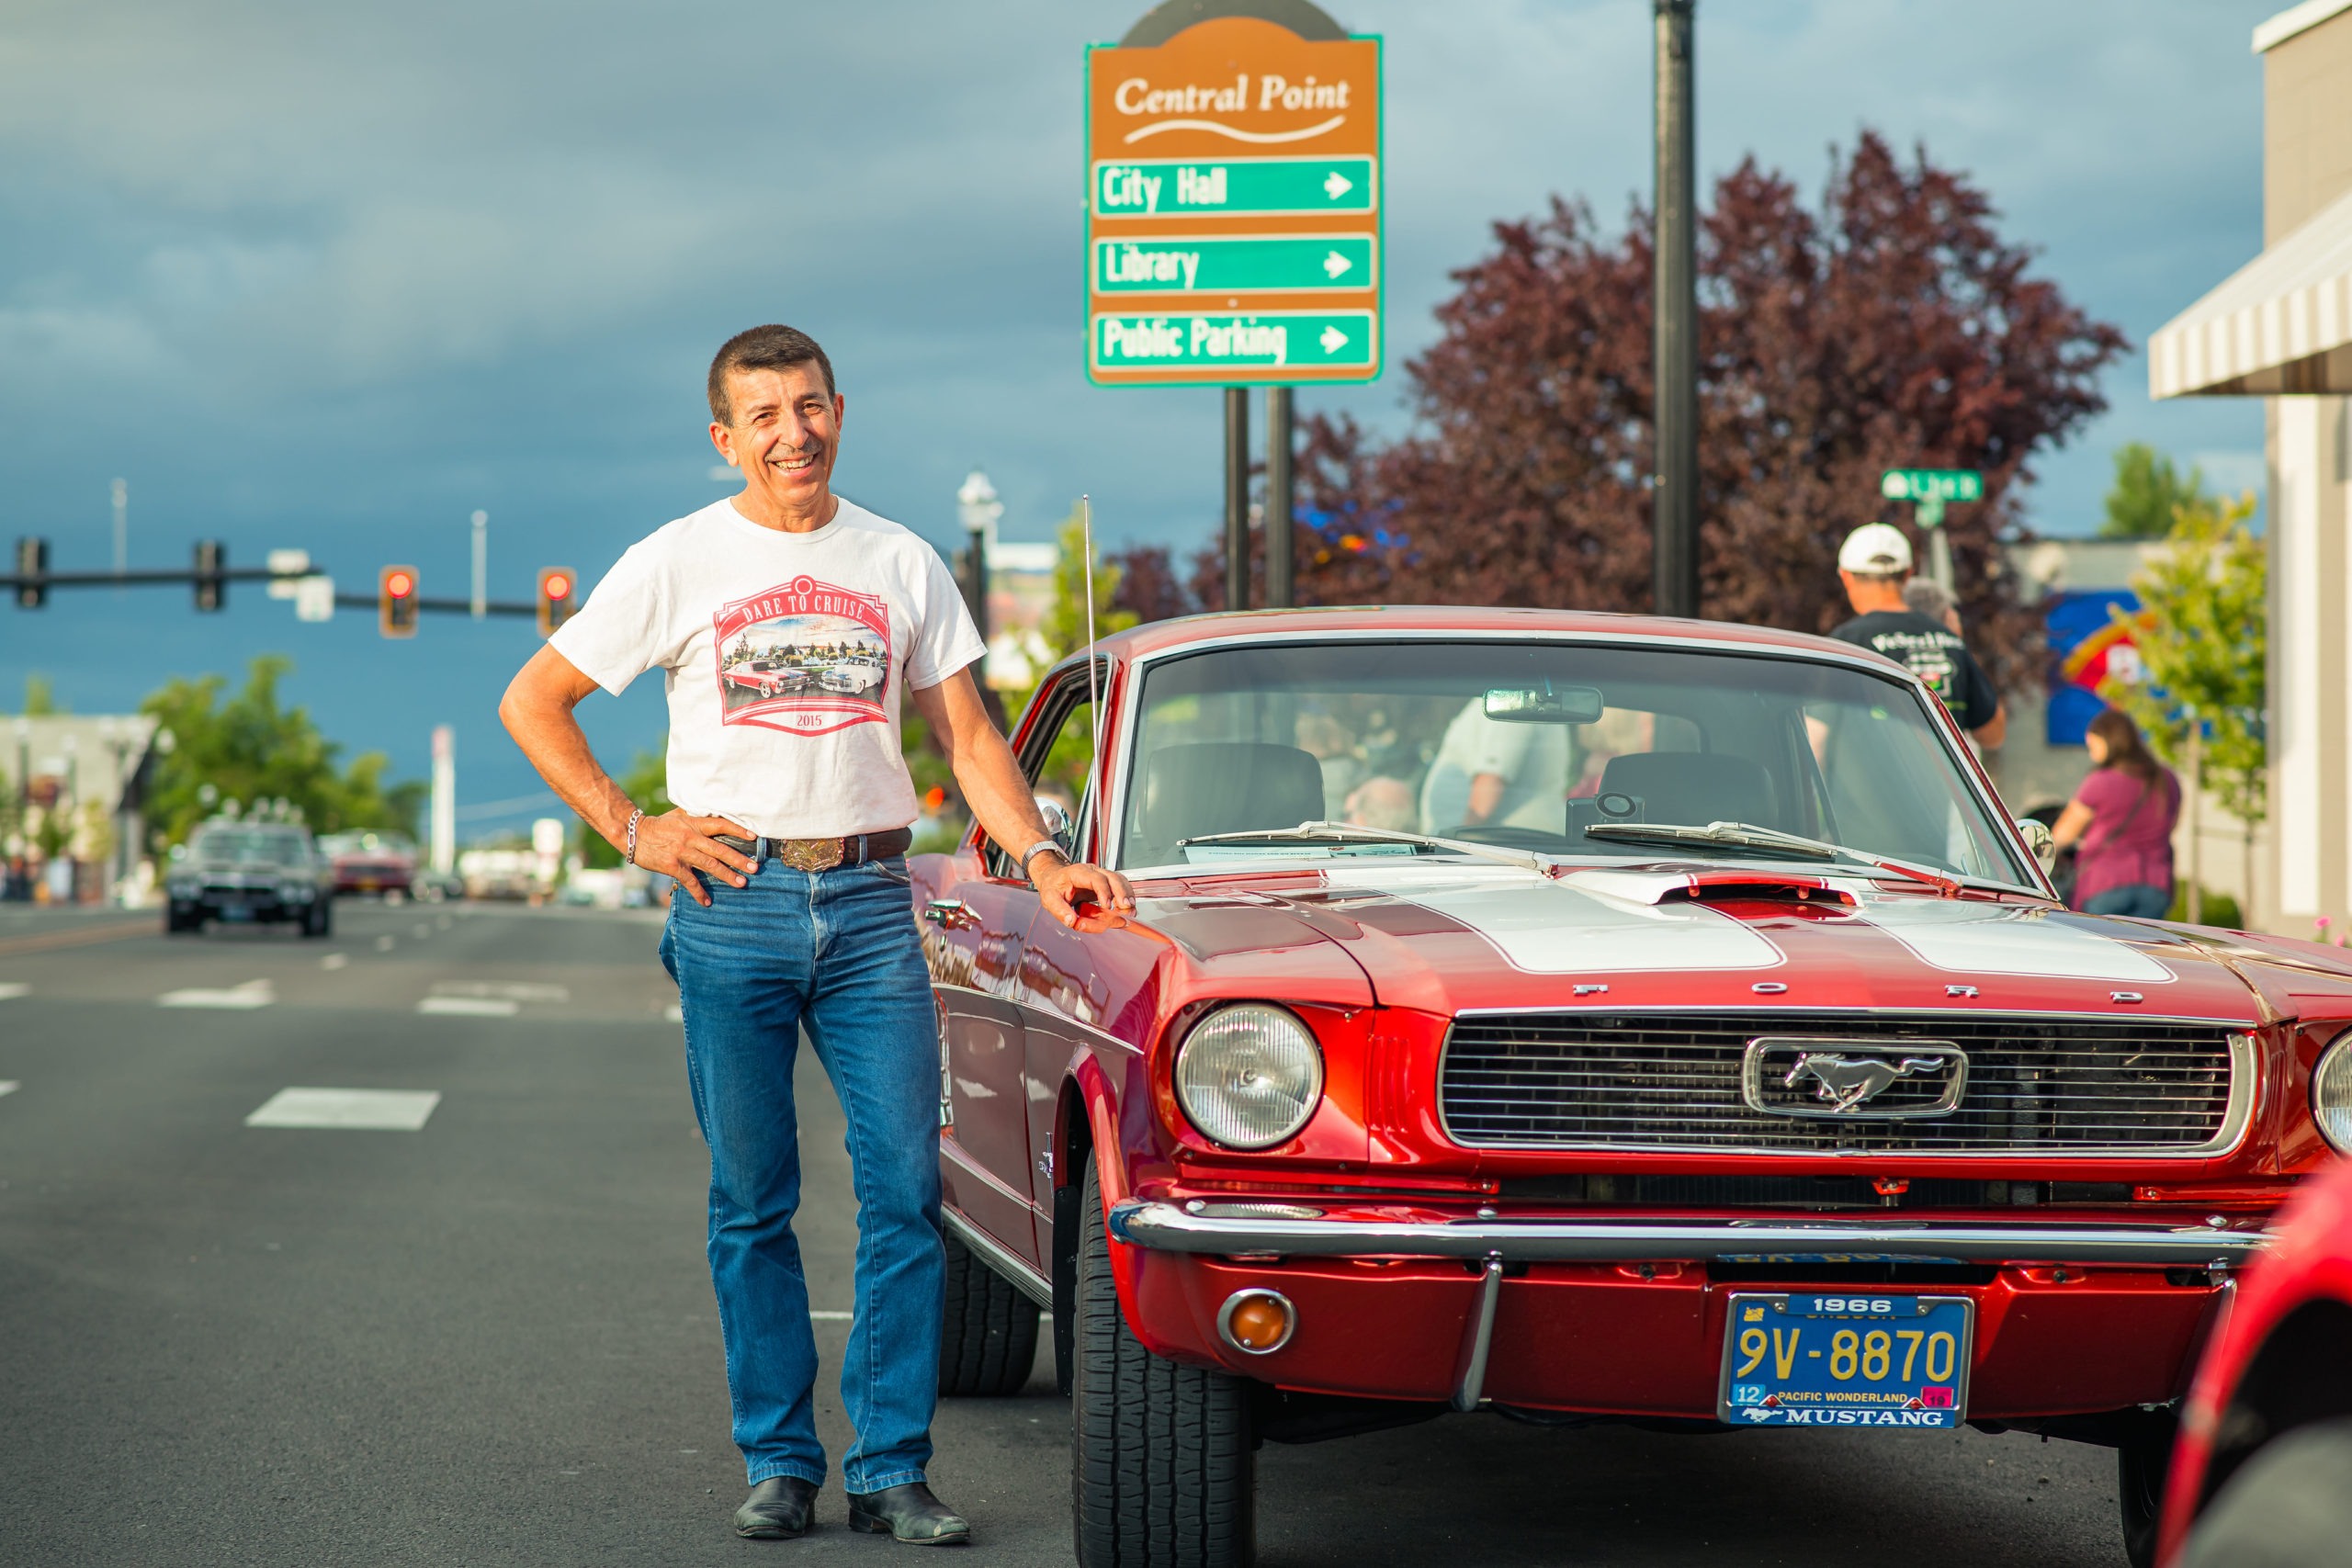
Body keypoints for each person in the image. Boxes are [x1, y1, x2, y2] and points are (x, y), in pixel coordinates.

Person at [499, 323, 1133, 1546]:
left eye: (812, 406)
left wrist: (1043, 857)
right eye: (767, 415)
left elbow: (969, 737)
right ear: (726, 437)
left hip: (870, 909)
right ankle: (781, 1460)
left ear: (841, 409)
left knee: (904, 1189)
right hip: (732, 903)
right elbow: (536, 699)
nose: (796, 432)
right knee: (753, 1198)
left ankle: (892, 1464)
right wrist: (633, 827)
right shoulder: (677, 559)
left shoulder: (900, 559)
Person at [1828, 524, 2006, 748]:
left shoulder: (1844, 644)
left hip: (1869, 782)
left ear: (1845, 576)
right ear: (1908, 574)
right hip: (1940, 783)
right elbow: (1993, 734)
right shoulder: (1949, 640)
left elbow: (1817, 734)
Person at [2052, 708, 2180, 918]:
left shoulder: (2101, 781)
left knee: (2098, 948)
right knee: (2139, 949)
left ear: (2108, 741)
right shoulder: (2166, 779)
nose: (2091, 753)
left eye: (2093, 745)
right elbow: (2171, 824)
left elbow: (2063, 834)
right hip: (2156, 885)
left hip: (2106, 882)